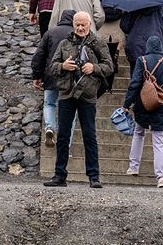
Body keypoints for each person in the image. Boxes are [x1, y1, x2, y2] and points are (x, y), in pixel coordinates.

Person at [44, 11, 114, 188]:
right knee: (63, 136)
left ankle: (94, 176)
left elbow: (109, 66)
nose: (81, 28)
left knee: (89, 136)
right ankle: (59, 175)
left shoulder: (98, 43)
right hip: (67, 93)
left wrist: (95, 68)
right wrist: (63, 66)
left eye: (84, 25)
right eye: (78, 25)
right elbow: (51, 67)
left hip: (88, 95)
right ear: (73, 25)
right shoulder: (64, 43)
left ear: (89, 25)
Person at [123, 34, 163, 188]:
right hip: (160, 104)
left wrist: (127, 104)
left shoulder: (142, 61)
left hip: (142, 104)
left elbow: (135, 83)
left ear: (147, 47)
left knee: (138, 133)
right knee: (159, 140)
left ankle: (134, 167)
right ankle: (161, 177)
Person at [31, 9, 77, 148]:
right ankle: (66, 145)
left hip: (51, 75)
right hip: (71, 77)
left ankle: (50, 127)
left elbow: (39, 56)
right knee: (71, 111)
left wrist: (37, 76)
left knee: (49, 103)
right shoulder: (77, 34)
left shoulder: (50, 32)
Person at [90, 0, 124, 86]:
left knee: (100, 56)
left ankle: (100, 83)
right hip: (116, 27)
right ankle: (110, 84)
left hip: (101, 26)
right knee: (111, 54)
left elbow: (91, 5)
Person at [121, 4, 163, 72]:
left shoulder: (133, 7)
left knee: (136, 79)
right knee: (155, 80)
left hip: (136, 49)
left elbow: (125, 27)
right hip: (156, 50)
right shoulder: (161, 9)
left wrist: (126, 12)